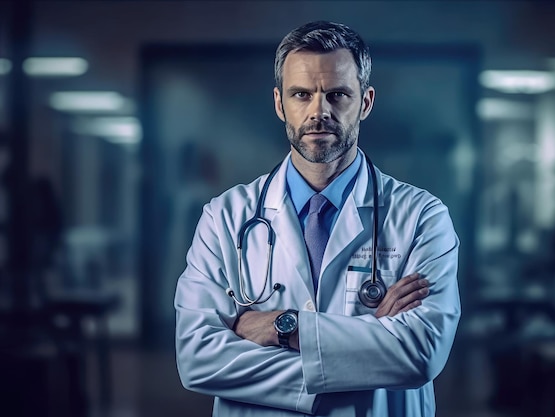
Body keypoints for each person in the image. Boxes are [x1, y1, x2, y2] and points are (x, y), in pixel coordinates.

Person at [174, 21, 460, 417]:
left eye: (337, 94)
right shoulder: (225, 217)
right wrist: (368, 346)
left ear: (365, 102)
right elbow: (197, 358)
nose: (318, 111)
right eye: (301, 95)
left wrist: (282, 328)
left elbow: (419, 354)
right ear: (279, 104)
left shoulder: (422, 217)